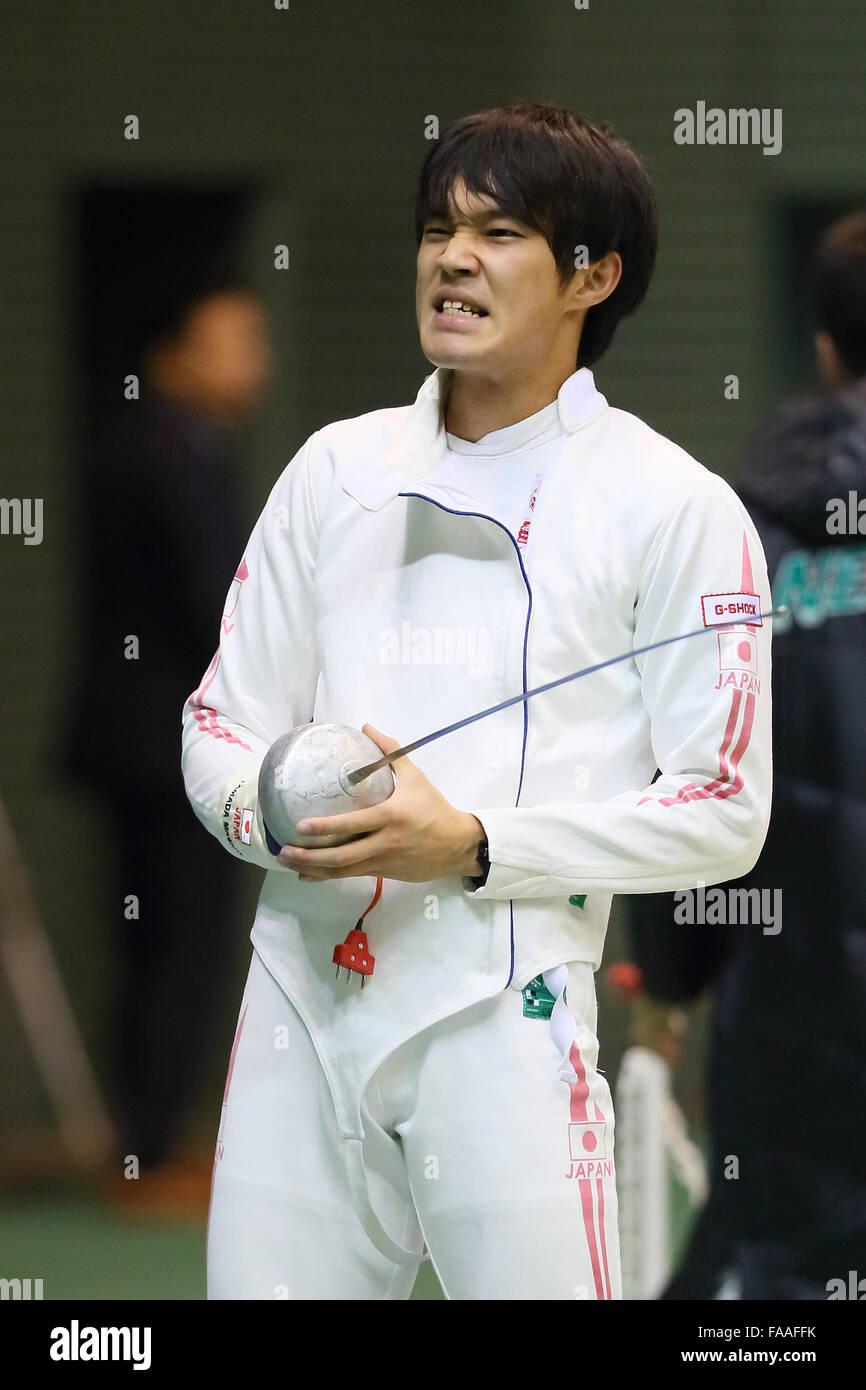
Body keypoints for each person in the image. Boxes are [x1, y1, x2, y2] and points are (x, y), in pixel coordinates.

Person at [181, 101, 773, 1299]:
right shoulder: (334, 471)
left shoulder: (671, 505)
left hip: (509, 1019)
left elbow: (722, 810)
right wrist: (274, 814)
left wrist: (473, 843)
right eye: (438, 228)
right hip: (299, 1005)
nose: (451, 258)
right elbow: (214, 725)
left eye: (498, 232)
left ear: (590, 276)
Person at [626, 206, 866, 1300]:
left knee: (771, 1274)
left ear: (823, 344)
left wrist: (667, 987)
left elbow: (684, 769)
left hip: (780, 1005)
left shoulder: (735, 533)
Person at [62, 272, 271, 1211]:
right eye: (231, 340)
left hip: (139, 748)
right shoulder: (171, 454)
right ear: (175, 355)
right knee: (176, 946)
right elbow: (214, 608)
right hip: (166, 754)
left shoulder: (182, 447)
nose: (251, 361)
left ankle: (144, 1144)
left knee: (158, 946)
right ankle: (145, 1154)